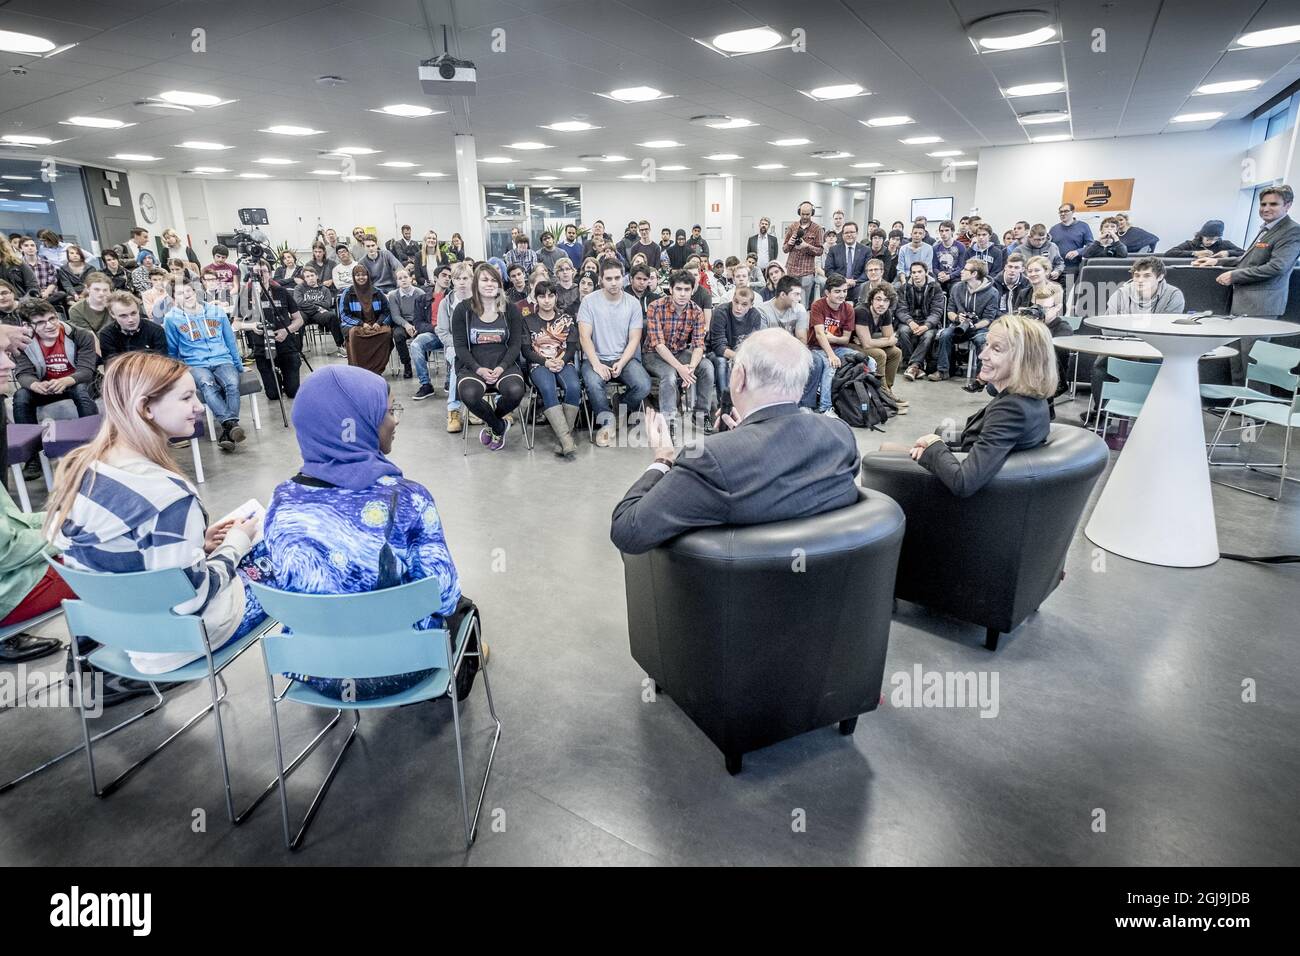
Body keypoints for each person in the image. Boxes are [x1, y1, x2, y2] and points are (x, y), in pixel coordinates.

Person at [261, 365, 482, 702]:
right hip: (403, 670)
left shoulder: (281, 503)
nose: (395, 420)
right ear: (359, 422)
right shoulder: (409, 498)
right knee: (465, 607)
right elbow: (445, 594)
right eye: (389, 411)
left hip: (315, 670)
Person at [44, 352, 267, 676]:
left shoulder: (81, 468)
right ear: (145, 407)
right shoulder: (169, 497)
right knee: (283, 555)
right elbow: (193, 598)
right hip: (180, 640)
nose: (199, 407)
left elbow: (123, 550)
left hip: (120, 629)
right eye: (187, 397)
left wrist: (193, 543)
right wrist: (235, 543)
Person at [610, 328, 859, 554]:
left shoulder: (710, 458)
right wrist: (747, 434)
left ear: (739, 377)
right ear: (802, 382)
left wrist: (663, 458)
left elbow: (628, 529)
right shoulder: (840, 434)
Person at [876, 314, 1054, 498]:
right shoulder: (1027, 398)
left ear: (1023, 360)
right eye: (986, 345)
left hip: (962, 501)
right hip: (967, 464)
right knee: (888, 448)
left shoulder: (1012, 410)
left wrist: (934, 445)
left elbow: (964, 482)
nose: (982, 355)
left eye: (996, 349)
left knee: (881, 456)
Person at [1211, 185, 1300, 384]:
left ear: (1288, 205)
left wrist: (1235, 275)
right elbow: (1249, 259)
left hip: (1262, 305)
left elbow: (1277, 267)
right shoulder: (1267, 229)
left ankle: (1254, 408)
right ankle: (1237, 403)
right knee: (1237, 356)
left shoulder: (1291, 231)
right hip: (1243, 304)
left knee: (1252, 359)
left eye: (1273, 204)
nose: (1266, 208)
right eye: (1263, 204)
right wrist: (1216, 261)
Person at [1084, 257, 1187, 422]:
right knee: (1099, 367)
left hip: (1154, 349)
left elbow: (1164, 330)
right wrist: (1138, 334)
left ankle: (1148, 417)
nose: (1140, 280)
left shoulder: (1173, 295)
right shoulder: (1121, 293)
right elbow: (1108, 328)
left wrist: (1129, 331)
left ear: (1160, 277)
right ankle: (1103, 413)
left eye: (1147, 276)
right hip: (1121, 347)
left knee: (1153, 368)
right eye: (1137, 275)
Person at [163, 279, 247, 451]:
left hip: (222, 359)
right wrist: (175, 374)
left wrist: (238, 366)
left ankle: (227, 430)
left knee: (232, 384)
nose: (186, 295)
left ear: (195, 292)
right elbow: (172, 350)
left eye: (188, 291)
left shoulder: (217, 312)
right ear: (173, 299)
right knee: (207, 384)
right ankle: (231, 426)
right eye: (180, 293)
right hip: (195, 363)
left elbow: (230, 341)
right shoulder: (171, 319)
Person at [578, 260, 653, 446]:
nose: (613, 282)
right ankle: (607, 422)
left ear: (623, 277)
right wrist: (596, 364)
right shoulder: (589, 302)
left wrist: (622, 361)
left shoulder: (633, 303)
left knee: (644, 385)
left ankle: (621, 407)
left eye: (617, 278)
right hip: (596, 358)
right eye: (608, 278)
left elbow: (635, 338)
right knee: (593, 383)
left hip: (624, 357)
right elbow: (584, 337)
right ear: (601, 280)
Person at [453, 262, 527, 451]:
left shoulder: (511, 310)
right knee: (468, 394)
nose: (489, 283)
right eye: (485, 279)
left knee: (516, 391)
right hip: (472, 365)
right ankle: (498, 425)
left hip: (504, 363)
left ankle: (493, 420)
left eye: (494, 280)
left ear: (500, 283)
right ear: (476, 283)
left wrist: (502, 367)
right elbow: (460, 347)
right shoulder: (463, 310)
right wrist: (478, 369)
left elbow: (515, 344)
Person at [642, 269, 717, 437]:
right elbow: (659, 345)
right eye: (679, 289)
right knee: (669, 375)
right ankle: (669, 423)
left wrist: (690, 368)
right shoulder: (656, 307)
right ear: (671, 288)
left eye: (687, 290)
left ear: (693, 290)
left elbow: (698, 345)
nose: (682, 294)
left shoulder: (696, 311)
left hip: (680, 352)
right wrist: (680, 369)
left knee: (707, 367)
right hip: (653, 354)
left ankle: (701, 414)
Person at [519, 280, 581, 459]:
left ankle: (563, 438)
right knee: (547, 388)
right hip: (539, 364)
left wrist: (560, 361)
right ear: (536, 298)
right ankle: (566, 440)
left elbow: (571, 347)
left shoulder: (566, 319)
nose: (546, 300)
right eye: (542, 296)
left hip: (563, 362)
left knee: (574, 387)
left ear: (556, 297)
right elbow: (526, 350)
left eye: (550, 295)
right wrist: (546, 362)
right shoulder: (528, 321)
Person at [12, 299, 99, 425]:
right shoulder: (22, 343)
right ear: (28, 325)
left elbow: (86, 371)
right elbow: (23, 373)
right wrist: (35, 384)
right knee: (21, 395)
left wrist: (65, 381)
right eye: (41, 322)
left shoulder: (81, 335)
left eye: (52, 318)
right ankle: (29, 441)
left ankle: (92, 436)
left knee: (81, 390)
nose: (50, 325)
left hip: (75, 382)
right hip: (46, 386)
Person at [232, 260, 307, 401]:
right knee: (273, 395)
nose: (261, 275)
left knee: (293, 392)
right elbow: (236, 324)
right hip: (262, 347)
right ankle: (275, 376)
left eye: (264, 271)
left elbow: (299, 320)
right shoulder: (245, 294)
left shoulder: (281, 291)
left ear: (270, 273)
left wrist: (287, 330)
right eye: (257, 272)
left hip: (286, 345)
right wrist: (252, 326)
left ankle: (288, 373)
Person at [755, 275, 821, 410]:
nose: (800, 298)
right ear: (783, 294)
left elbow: (802, 339)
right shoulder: (762, 310)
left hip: (792, 349)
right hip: (769, 351)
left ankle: (805, 405)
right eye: (796, 294)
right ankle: (772, 405)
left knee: (816, 361)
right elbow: (763, 342)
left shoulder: (800, 309)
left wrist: (793, 353)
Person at [935, 258, 999, 383]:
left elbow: (988, 319)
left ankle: (982, 378)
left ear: (974, 274)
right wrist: (958, 318)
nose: (961, 271)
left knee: (982, 340)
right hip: (958, 325)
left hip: (979, 327)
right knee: (945, 335)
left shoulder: (992, 293)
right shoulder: (957, 287)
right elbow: (950, 311)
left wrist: (973, 326)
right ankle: (943, 371)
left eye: (965, 269)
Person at [850, 281, 907, 409]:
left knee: (895, 352)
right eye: (878, 299)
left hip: (862, 342)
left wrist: (879, 340)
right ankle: (882, 393)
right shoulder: (862, 311)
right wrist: (883, 341)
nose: (881, 304)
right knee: (879, 354)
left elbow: (890, 339)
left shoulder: (886, 313)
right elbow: (868, 344)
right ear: (871, 300)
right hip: (850, 344)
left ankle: (888, 389)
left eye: (886, 300)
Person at [435, 262, 475, 431]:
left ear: (472, 279)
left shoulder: (481, 300)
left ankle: (485, 406)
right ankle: (453, 410)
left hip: (478, 344)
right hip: (454, 346)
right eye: (457, 278)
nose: (462, 282)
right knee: (458, 363)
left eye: (465, 278)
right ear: (452, 281)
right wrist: (461, 345)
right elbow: (442, 332)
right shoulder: (446, 303)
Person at [709, 285, 763, 407]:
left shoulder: (755, 315)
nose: (738, 307)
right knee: (722, 363)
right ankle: (724, 405)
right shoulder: (721, 312)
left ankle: (748, 404)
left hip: (741, 353)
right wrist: (738, 356)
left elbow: (752, 344)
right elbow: (718, 346)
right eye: (736, 302)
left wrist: (743, 357)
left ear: (751, 305)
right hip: (717, 353)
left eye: (744, 304)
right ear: (732, 299)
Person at [896, 262, 947, 382]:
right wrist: (910, 322)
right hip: (909, 321)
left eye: (919, 272)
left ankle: (912, 366)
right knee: (903, 331)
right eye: (913, 272)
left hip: (928, 322)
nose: (916, 275)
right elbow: (901, 310)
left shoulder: (935, 287)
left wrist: (926, 325)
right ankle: (914, 366)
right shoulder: (904, 288)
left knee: (928, 335)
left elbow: (937, 311)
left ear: (926, 272)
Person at [339, 263, 393, 376]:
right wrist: (361, 323)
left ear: (368, 276)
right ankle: (359, 370)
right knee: (354, 333)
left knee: (387, 332)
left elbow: (387, 311)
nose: (361, 277)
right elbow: (344, 314)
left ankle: (377, 369)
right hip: (356, 326)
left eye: (363, 275)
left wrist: (379, 323)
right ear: (353, 277)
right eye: (357, 275)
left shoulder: (377, 292)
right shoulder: (347, 293)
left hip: (376, 326)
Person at [100, 290, 167, 364]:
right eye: (123, 316)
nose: (131, 320)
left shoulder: (156, 331)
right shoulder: (107, 334)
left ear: (138, 310)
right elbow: (112, 367)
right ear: (112, 314)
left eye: (133, 313)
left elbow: (161, 364)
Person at [293, 265, 346, 354]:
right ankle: (298, 351)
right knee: (298, 321)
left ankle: (340, 346)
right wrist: (317, 307)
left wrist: (311, 305)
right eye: (307, 276)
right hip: (305, 313)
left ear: (316, 276)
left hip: (319, 313)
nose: (310, 278)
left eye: (312, 275)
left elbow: (327, 304)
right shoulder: (299, 288)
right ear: (304, 278)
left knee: (332, 316)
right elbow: (299, 303)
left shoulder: (324, 289)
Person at [386, 267, 428, 379]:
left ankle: (423, 362)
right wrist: (407, 325)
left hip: (419, 321)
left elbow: (424, 313)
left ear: (411, 279)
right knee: (398, 335)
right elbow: (395, 316)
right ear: (397, 282)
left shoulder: (420, 293)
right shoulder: (393, 295)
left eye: (405, 277)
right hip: (402, 323)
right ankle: (407, 364)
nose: (403, 280)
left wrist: (416, 325)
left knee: (425, 335)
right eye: (400, 278)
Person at [782, 201, 825, 302]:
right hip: (791, 270)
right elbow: (784, 249)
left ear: (812, 213)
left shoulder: (817, 229)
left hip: (807, 272)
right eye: (803, 214)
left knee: (803, 303)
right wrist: (790, 243)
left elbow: (820, 251)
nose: (805, 216)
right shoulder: (792, 227)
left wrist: (807, 246)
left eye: (807, 214)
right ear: (799, 212)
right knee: (790, 302)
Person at [824, 221, 868, 302]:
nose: (849, 235)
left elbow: (867, 271)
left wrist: (855, 282)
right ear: (842, 235)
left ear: (857, 233)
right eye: (846, 232)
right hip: (837, 284)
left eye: (852, 232)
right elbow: (828, 270)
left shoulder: (865, 250)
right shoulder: (834, 249)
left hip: (858, 284)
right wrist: (844, 280)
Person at [1049, 202, 1094, 277]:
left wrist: (1078, 252)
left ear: (1073, 212)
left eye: (1066, 211)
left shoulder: (1083, 226)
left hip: (1072, 268)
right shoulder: (1054, 229)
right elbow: (1048, 246)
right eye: (1061, 212)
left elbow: (1091, 246)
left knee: (1068, 287)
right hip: (1055, 268)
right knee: (1053, 288)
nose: (1063, 214)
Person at [67, 272, 113, 336]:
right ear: (88, 289)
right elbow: (90, 338)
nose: (101, 293)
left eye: (105, 290)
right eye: (97, 289)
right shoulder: (76, 310)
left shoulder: (114, 304)